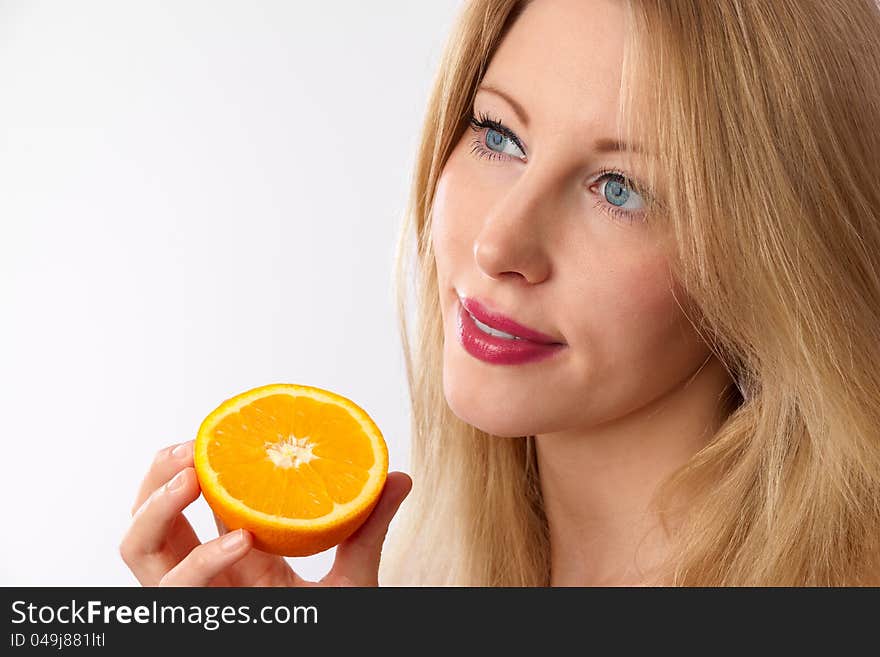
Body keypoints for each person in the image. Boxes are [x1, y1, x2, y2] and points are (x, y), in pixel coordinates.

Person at [121, 0, 880, 587]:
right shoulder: (434, 572)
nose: (499, 244)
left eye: (619, 188)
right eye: (499, 135)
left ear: (779, 255)